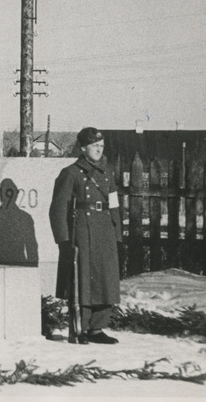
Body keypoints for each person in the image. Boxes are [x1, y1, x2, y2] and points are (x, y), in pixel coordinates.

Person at [49, 127, 122, 345]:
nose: (99, 150)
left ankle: (97, 328)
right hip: (82, 231)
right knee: (82, 279)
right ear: (83, 148)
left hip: (105, 231)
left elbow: (115, 204)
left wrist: (118, 234)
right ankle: (79, 329)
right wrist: (63, 240)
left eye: (101, 146)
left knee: (105, 280)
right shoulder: (70, 173)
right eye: (94, 146)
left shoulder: (107, 172)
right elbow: (57, 209)